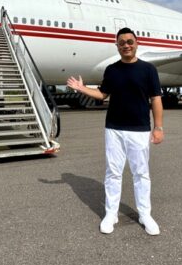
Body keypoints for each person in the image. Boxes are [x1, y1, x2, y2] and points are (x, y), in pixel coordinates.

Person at [67, 27, 164, 235]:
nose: (126, 45)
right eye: (122, 43)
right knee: (113, 173)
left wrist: (158, 127)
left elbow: (156, 99)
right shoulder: (112, 70)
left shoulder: (148, 70)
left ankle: (145, 214)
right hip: (114, 129)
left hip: (139, 129)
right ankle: (111, 214)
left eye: (130, 41)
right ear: (117, 46)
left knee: (141, 173)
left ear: (136, 43)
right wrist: (82, 88)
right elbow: (102, 94)